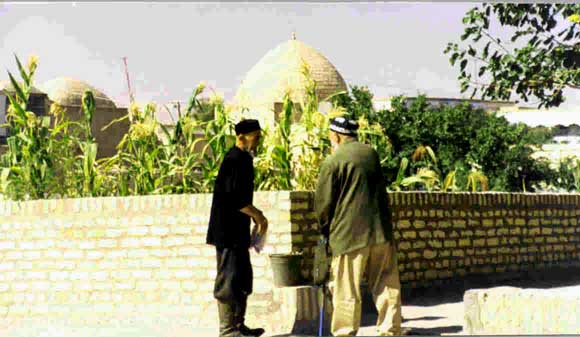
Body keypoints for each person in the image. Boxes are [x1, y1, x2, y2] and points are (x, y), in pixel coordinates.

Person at [314, 116, 402, 336]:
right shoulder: (370, 154)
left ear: (334, 136)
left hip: (349, 237)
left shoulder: (333, 161)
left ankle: (345, 333)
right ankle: (390, 330)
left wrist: (325, 230)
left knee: (347, 291)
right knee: (386, 284)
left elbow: (323, 205)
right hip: (381, 232)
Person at [206, 119, 269, 337]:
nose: (258, 142)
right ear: (241, 137)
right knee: (229, 280)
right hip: (227, 232)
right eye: (255, 137)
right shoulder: (234, 160)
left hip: (238, 233)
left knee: (242, 278)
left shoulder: (244, 160)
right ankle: (227, 330)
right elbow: (236, 199)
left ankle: (239, 325)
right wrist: (259, 217)